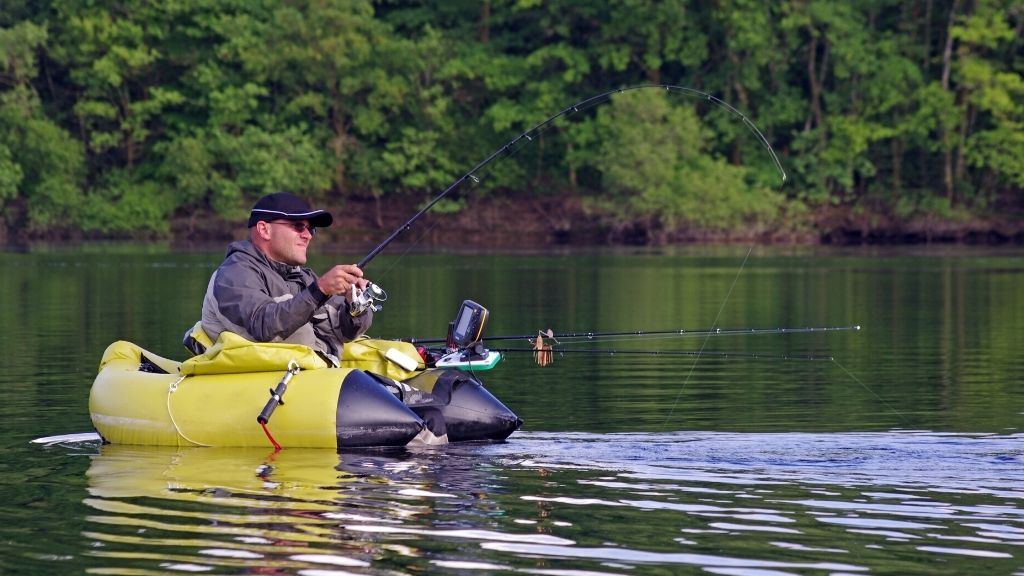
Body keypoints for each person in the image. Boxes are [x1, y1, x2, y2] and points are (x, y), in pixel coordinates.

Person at [192, 192, 373, 365]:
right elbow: (262, 327)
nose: (308, 235)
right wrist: (319, 290)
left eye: (311, 229)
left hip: (313, 374)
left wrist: (355, 305)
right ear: (264, 230)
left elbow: (345, 331)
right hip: (270, 382)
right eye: (299, 226)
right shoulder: (234, 273)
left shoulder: (303, 277)